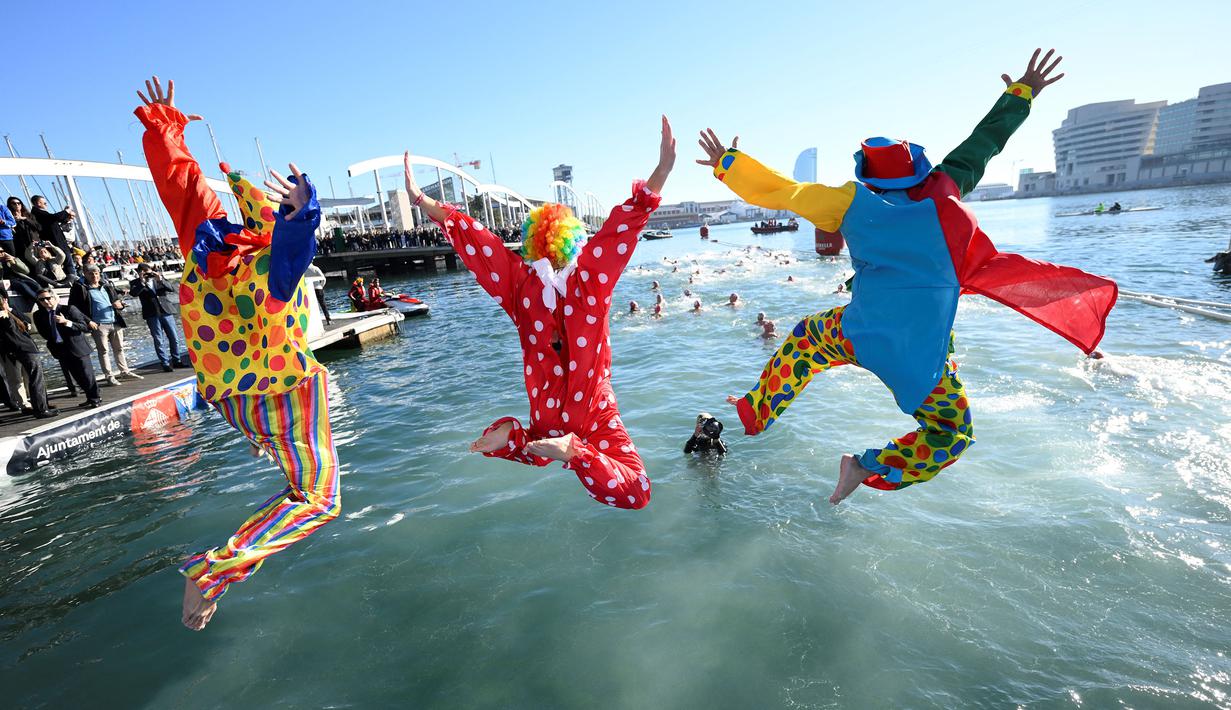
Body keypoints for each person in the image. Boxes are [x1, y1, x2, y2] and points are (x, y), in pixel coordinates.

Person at [700, 49, 1117, 504]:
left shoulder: (849, 201)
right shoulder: (947, 187)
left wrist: (729, 163)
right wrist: (1021, 93)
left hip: (855, 332)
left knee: (806, 337)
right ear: (918, 168)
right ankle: (865, 465)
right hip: (922, 359)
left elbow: (784, 191)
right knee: (952, 434)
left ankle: (756, 410)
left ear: (869, 178)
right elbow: (985, 141)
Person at [137, 75, 338, 630]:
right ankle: (212, 571)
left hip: (231, 396)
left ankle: (262, 448)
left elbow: (183, 185)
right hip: (283, 390)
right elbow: (293, 251)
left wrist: (165, 127)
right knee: (318, 500)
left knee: (296, 475)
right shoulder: (270, 269)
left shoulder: (208, 248)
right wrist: (303, 214)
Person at [406, 115, 676, 510]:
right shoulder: (590, 281)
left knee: (539, 447)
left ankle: (515, 439)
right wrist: (662, 171)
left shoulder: (521, 286)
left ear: (532, 243)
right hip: (593, 410)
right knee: (638, 492)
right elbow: (621, 230)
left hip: (546, 413)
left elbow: (481, 246)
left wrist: (422, 201)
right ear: (574, 241)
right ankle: (564, 449)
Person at [32, 288, 102, 408]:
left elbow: (84, 327)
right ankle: (89, 397)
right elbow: (43, 333)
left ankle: (95, 398)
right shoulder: (38, 315)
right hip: (60, 349)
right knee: (76, 376)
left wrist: (67, 322)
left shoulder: (69, 309)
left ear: (54, 298)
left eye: (48, 298)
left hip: (77, 347)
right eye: (42, 300)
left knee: (87, 375)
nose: (45, 301)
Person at [70, 264, 139, 385]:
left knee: (119, 348)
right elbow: (74, 308)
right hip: (99, 324)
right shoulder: (80, 288)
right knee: (103, 351)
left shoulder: (106, 285)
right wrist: (88, 321)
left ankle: (124, 371)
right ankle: (109, 375)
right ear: (85, 275)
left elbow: (116, 301)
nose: (94, 276)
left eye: (96, 273)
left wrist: (121, 305)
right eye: (91, 274)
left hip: (114, 321)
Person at [0, 285, 56, 418]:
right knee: (23, 379)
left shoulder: (10, 312)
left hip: (22, 349)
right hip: (16, 350)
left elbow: (26, 321)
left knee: (33, 378)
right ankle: (35, 408)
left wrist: (9, 310)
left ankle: (41, 405)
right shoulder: (3, 316)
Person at [129, 262, 182, 372]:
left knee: (174, 337)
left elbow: (171, 288)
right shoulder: (135, 282)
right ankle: (165, 363)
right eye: (144, 272)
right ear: (139, 273)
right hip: (152, 314)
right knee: (158, 339)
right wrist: (142, 282)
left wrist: (160, 280)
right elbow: (133, 293)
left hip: (166, 311)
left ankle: (177, 360)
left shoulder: (158, 278)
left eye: (148, 272)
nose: (147, 275)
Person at [29, 196, 77, 281]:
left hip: (57, 241)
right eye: (44, 203)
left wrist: (66, 217)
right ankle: (73, 280)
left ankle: (70, 279)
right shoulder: (37, 213)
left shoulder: (41, 213)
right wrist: (66, 211)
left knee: (67, 262)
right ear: (39, 203)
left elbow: (54, 221)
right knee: (67, 263)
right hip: (55, 242)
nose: (46, 204)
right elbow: (53, 218)